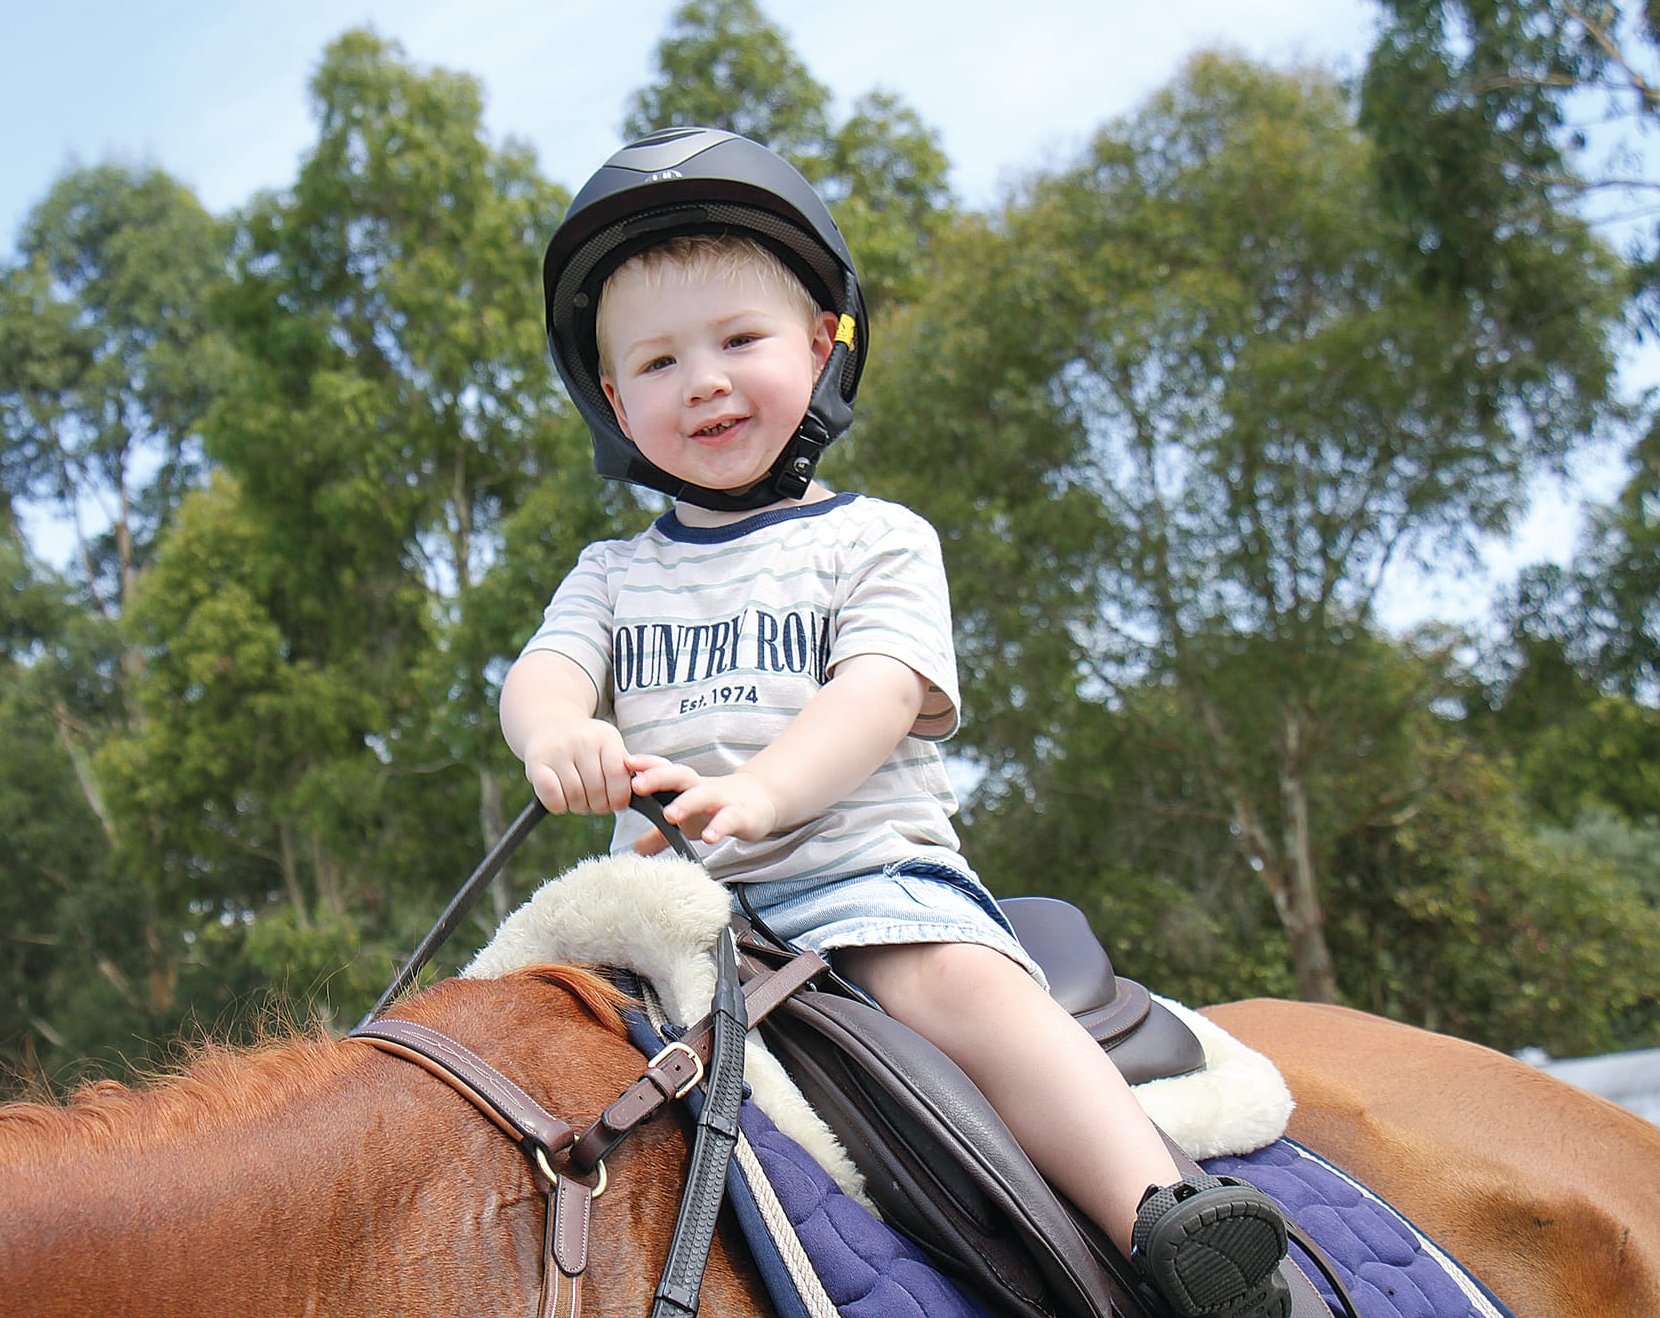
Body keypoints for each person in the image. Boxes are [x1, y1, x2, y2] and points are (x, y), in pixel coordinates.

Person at [502, 126, 1291, 1318]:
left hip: (856, 880)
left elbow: (875, 689)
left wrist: (763, 792)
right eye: (657, 362)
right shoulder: (610, 574)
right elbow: (543, 674)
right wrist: (554, 732)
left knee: (956, 989)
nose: (702, 379)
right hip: (664, 914)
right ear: (614, 400)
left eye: (739, 340)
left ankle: (1157, 1208)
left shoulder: (873, 539)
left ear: (822, 345)